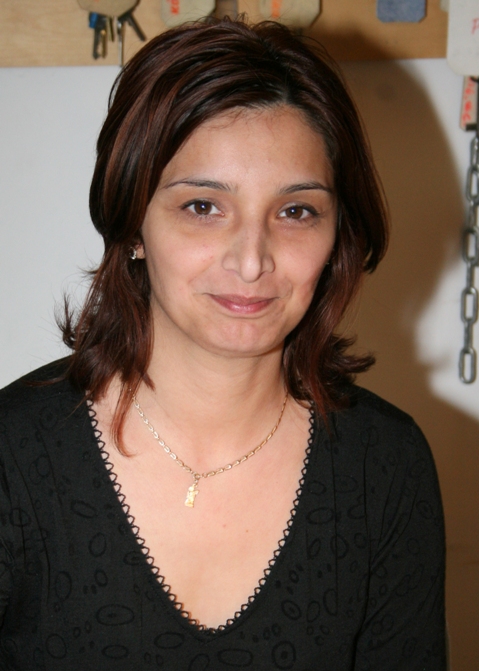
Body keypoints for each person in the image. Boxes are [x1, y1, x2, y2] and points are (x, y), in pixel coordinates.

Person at [0, 18, 445, 670]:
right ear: (133, 224)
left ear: (337, 235)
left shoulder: (384, 467)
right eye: (203, 207)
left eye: (295, 211)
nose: (251, 259)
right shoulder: (13, 456)